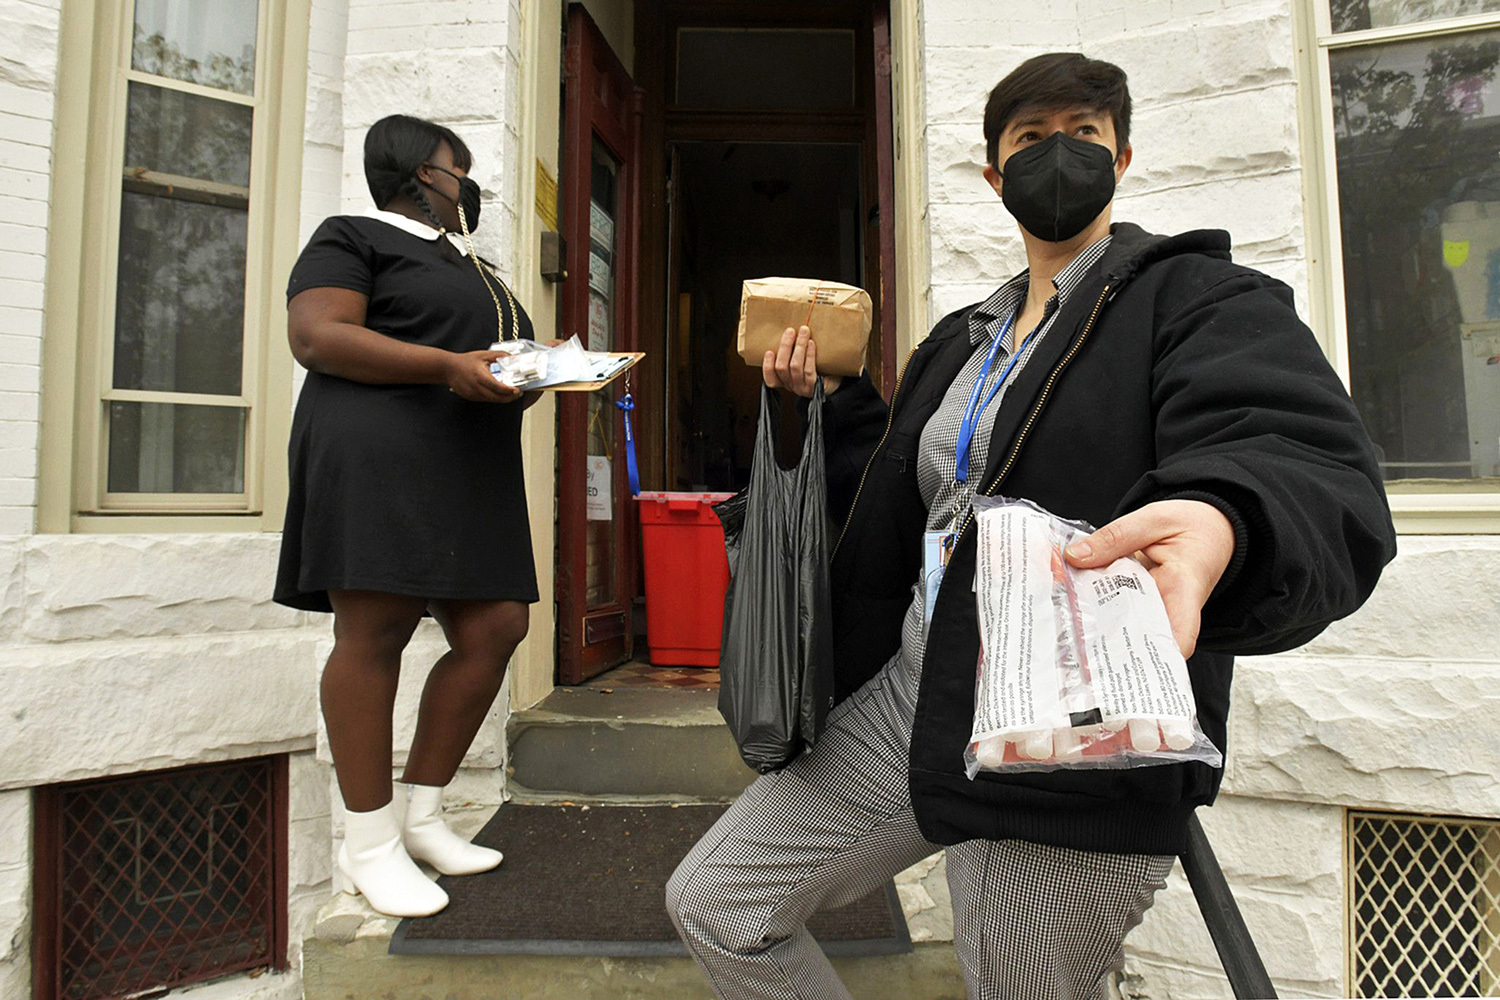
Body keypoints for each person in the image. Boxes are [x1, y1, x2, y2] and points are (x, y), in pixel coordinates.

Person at [666, 53, 1396, 998]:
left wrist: (1225, 514)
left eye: (1083, 135)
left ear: (1123, 158)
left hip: (1069, 731)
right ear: (992, 173)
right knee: (721, 903)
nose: (1059, 154)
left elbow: (1292, 449)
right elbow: (901, 489)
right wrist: (815, 405)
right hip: (919, 693)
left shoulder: (1199, 302)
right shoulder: (962, 338)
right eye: (1029, 138)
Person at [276, 115, 540, 918]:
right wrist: (447, 367)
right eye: (460, 172)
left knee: (496, 626)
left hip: (469, 465)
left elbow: (485, 354)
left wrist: (543, 368)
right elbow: (318, 336)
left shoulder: (469, 263)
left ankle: (423, 816)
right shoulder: (352, 235)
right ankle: (371, 843)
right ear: (424, 174)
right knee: (376, 631)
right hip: (378, 456)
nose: (471, 187)